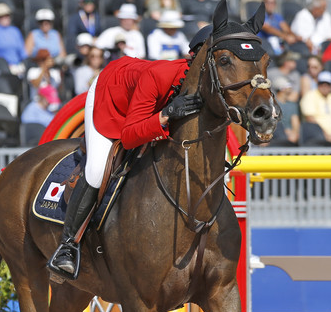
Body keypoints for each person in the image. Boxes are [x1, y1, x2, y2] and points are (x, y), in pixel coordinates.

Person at [47, 25, 229, 278]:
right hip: (110, 97)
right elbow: (130, 136)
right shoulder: (158, 75)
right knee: (97, 170)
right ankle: (67, 247)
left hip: (141, 105)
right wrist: (166, 115)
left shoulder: (207, 88)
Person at [299, 70, 331, 144]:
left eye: (327, 84)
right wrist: (324, 134)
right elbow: (309, 118)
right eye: (321, 83)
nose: (324, 86)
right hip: (315, 136)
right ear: (317, 84)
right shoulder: (310, 96)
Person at [274, 77, 300, 144]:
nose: (291, 88)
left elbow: (295, 122)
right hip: (277, 135)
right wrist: (285, 131)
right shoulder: (272, 105)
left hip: (291, 137)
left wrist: (295, 133)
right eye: (288, 86)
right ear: (282, 89)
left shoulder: (292, 105)